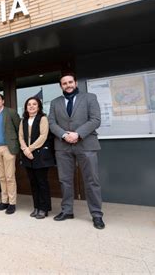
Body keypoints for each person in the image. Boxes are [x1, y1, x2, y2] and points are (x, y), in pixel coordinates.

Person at [48, 72, 105, 229]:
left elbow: (95, 120)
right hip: (63, 146)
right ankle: (67, 211)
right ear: (61, 86)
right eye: (64, 83)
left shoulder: (90, 98)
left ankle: (97, 214)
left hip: (86, 144)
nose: (68, 85)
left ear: (75, 83)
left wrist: (78, 134)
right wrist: (64, 134)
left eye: (70, 82)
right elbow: (51, 123)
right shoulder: (55, 102)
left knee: (91, 180)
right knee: (65, 180)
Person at [19, 97, 55, 219]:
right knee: (33, 183)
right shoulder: (23, 120)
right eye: (29, 104)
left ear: (39, 107)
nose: (31, 106)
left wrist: (30, 149)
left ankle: (44, 208)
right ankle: (36, 206)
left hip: (40, 156)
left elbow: (43, 136)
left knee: (42, 182)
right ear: (26, 107)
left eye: (34, 104)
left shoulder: (43, 119)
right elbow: (21, 137)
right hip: (27, 156)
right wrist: (25, 149)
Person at [0, 93, 21, 215]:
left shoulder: (11, 112)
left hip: (8, 148)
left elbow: (19, 129)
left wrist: (19, 146)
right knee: (1, 177)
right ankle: (4, 201)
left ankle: (12, 203)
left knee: (10, 177)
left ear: (3, 101)